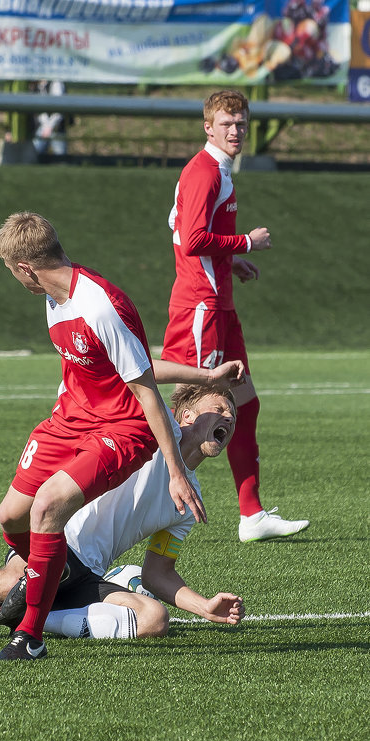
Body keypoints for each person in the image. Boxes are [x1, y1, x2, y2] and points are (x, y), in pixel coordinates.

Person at [0, 210, 211, 661]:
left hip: (123, 428)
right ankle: (60, 568)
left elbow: (146, 389)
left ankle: (31, 635)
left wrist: (176, 472)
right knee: (11, 516)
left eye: (12, 272)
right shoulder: (53, 299)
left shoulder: (100, 305)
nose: (15, 279)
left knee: (48, 507)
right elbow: (98, 367)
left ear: (25, 268)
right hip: (72, 417)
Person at [0, 384, 244, 642]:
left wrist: (204, 607)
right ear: (186, 414)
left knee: (154, 620)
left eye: (232, 414)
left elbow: (157, 573)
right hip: (55, 536)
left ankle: (34, 614)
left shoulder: (190, 498)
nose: (227, 416)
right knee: (7, 582)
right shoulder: (149, 429)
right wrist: (206, 377)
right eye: (218, 407)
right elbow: (138, 376)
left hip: (87, 572)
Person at [161, 89, 309, 544]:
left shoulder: (218, 171)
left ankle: (252, 516)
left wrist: (230, 263)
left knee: (246, 403)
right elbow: (190, 239)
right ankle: (141, 495)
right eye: (226, 123)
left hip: (220, 304)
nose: (235, 130)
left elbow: (178, 229)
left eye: (241, 123)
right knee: (188, 411)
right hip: (200, 308)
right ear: (208, 127)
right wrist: (245, 243)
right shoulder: (204, 171)